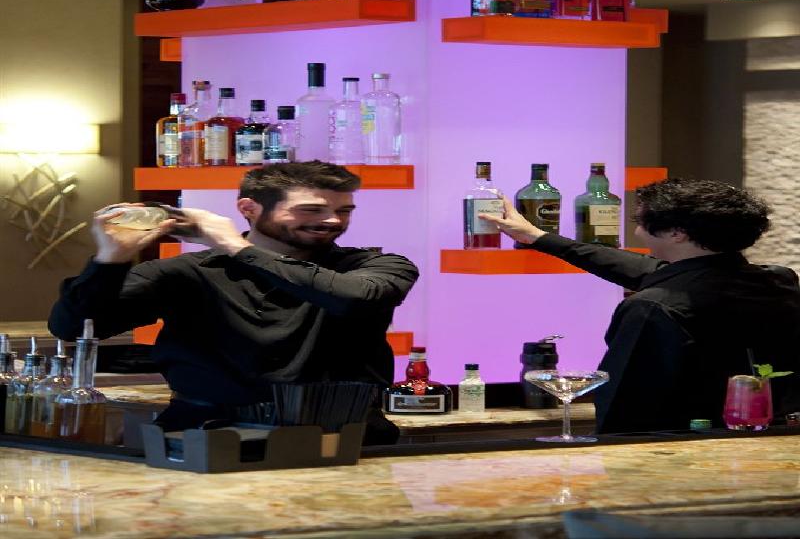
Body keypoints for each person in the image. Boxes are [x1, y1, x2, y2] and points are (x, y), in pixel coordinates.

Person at [49, 161, 419, 444]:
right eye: (311, 210)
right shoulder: (186, 273)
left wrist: (233, 245)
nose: (332, 220)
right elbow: (75, 327)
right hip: (207, 436)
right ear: (249, 208)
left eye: (344, 211)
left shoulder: (374, 267)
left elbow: (353, 300)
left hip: (344, 439)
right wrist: (110, 259)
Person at [481, 178, 800, 433]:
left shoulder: (652, 307)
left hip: (680, 451)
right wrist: (538, 237)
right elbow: (644, 268)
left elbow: (624, 402)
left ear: (676, 233)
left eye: (641, 221)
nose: (636, 230)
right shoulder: (778, 281)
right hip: (771, 437)